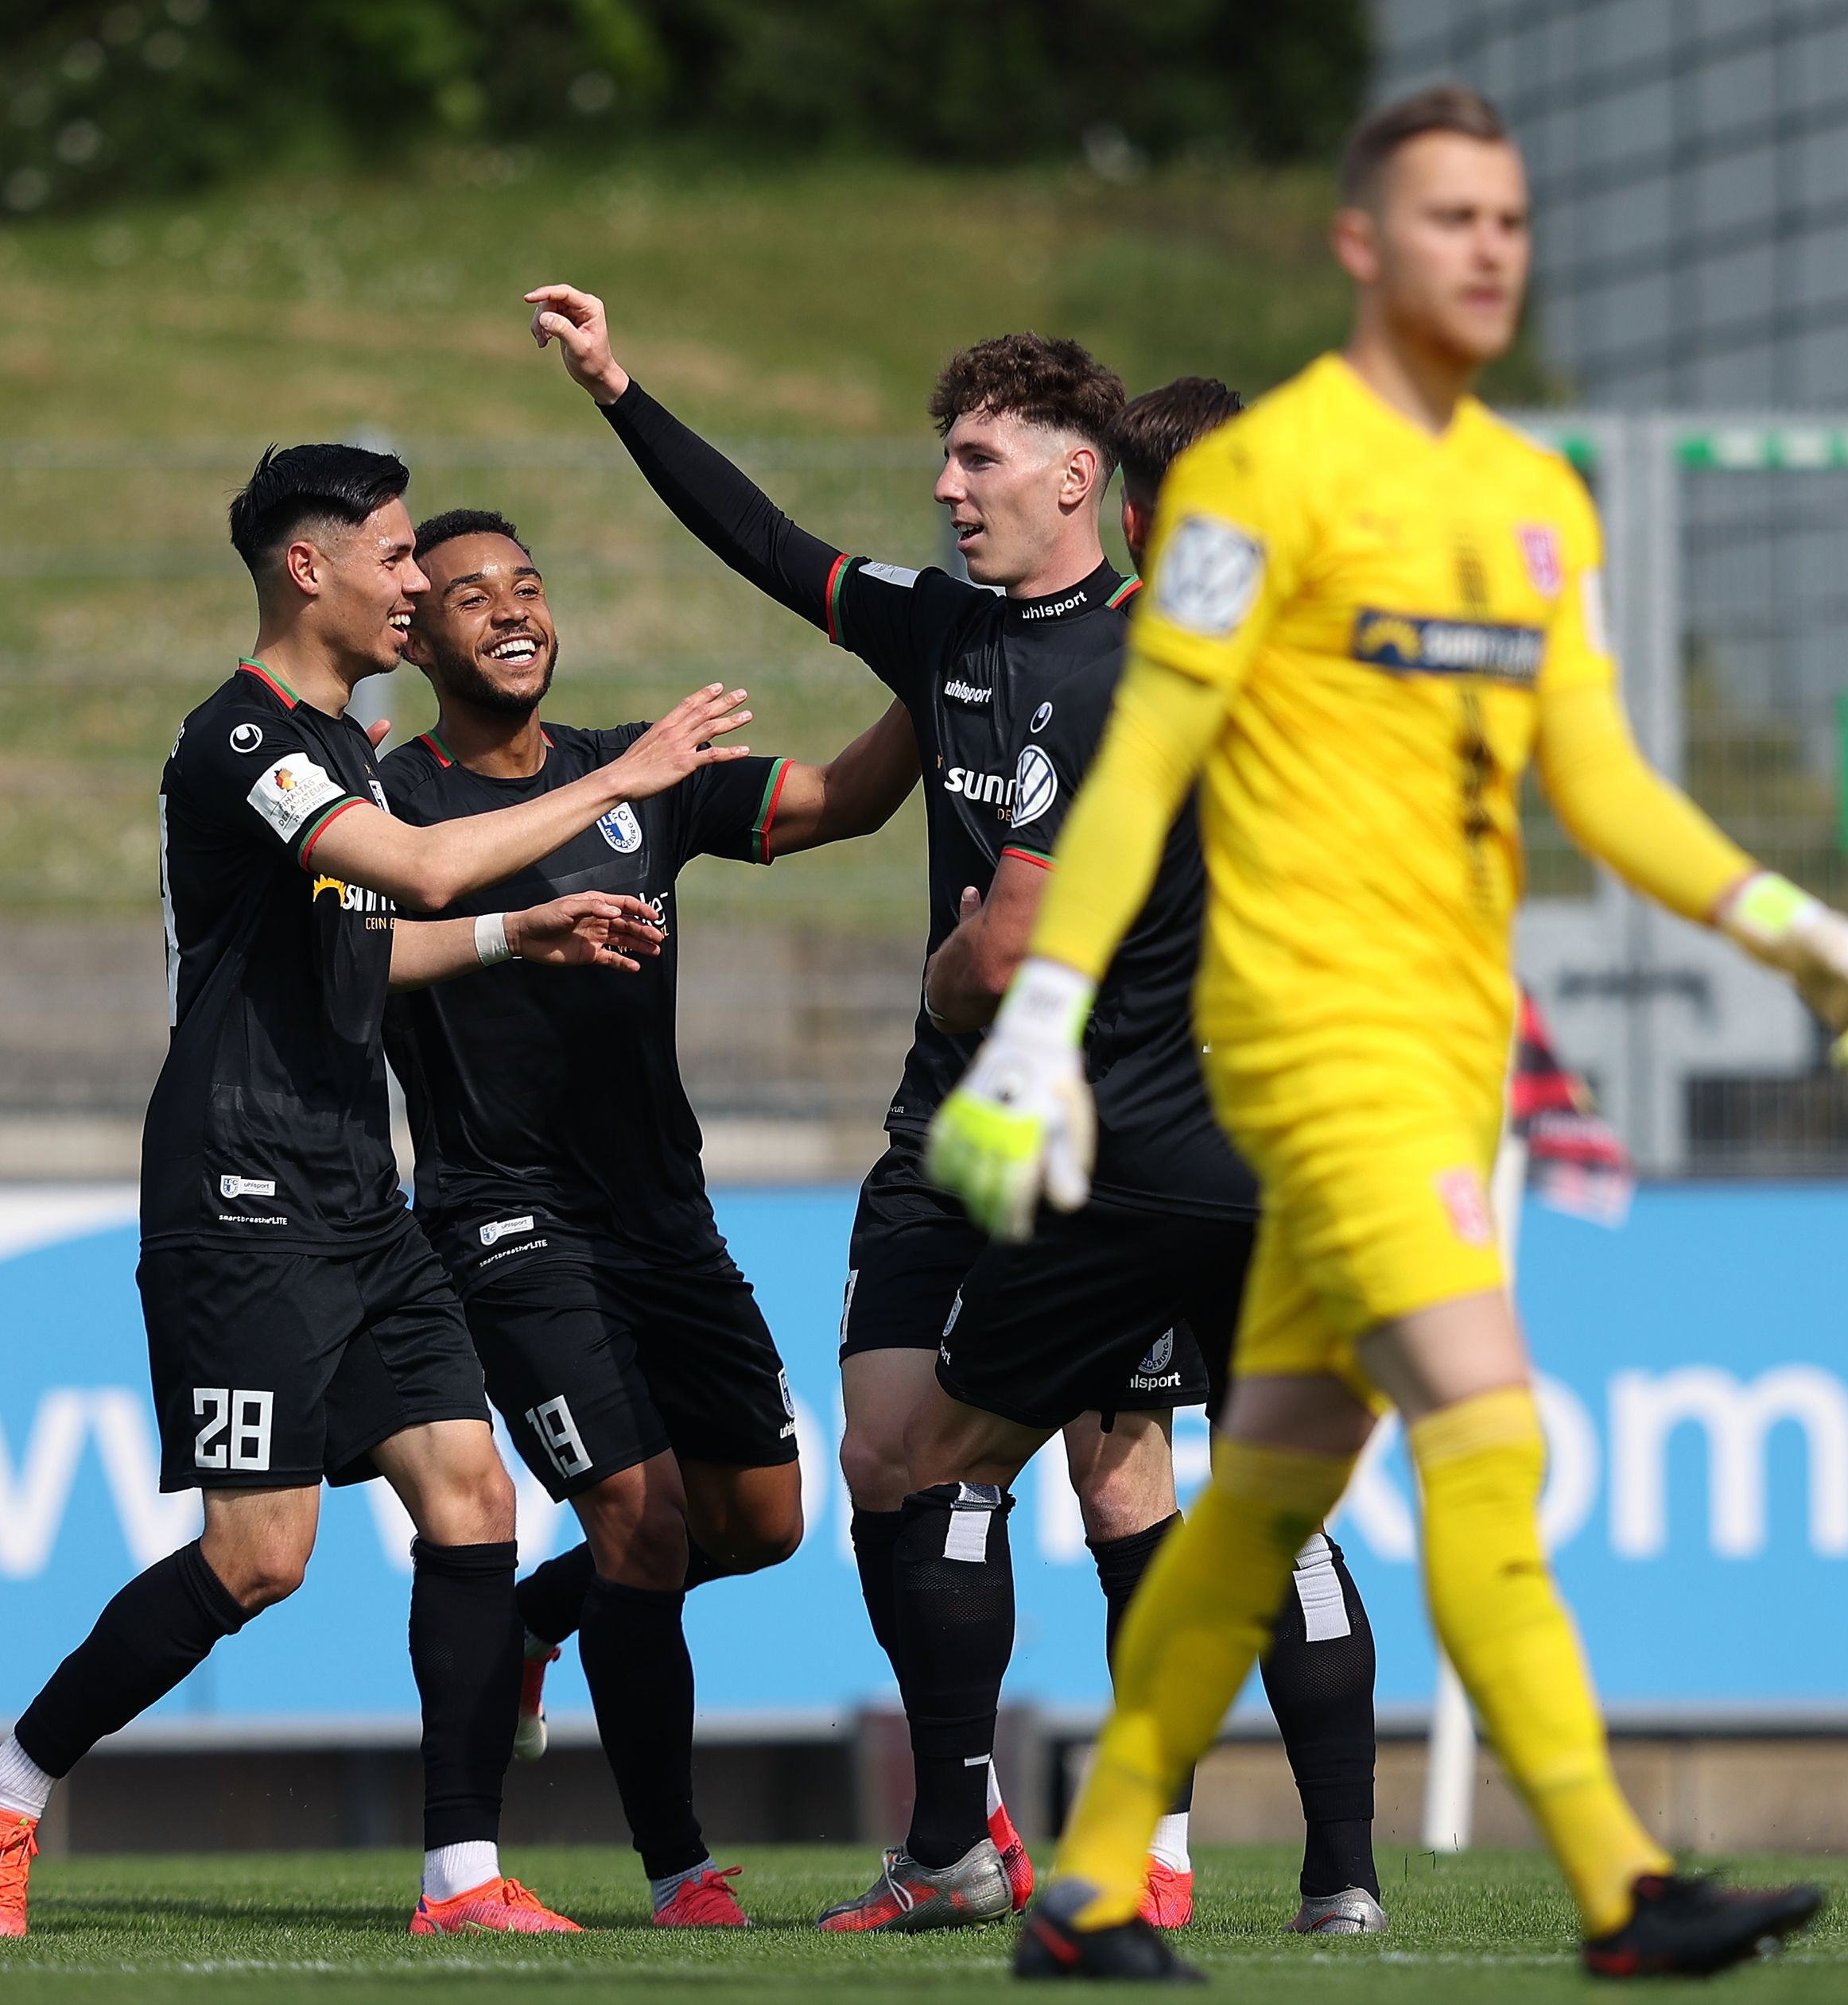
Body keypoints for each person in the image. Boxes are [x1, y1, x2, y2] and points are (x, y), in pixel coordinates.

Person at [928, 87, 1848, 1982]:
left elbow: (1599, 777)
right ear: (1360, 245)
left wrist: (1791, 924)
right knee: (1490, 1426)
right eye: (1449, 216)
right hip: (1311, 1047)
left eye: (1510, 221)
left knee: (1271, 1479)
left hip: (1448, 1055)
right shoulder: (1248, 487)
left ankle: (1084, 1878)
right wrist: (1042, 1016)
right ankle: (1621, 1883)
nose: (1488, 249)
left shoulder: (1534, 502)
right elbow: (1141, 764)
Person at [0, 442, 763, 1941]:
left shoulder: (349, 747)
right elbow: (417, 872)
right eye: (395, 559)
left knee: (472, 1490)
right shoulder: (244, 741)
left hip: (354, 1191)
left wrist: (532, 937)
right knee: (263, 1558)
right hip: (237, 1182)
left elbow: (370, 948)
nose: (415, 586)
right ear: (308, 568)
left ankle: (460, 1878)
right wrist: (626, 783)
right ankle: (5, 1783)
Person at [526, 285, 1176, 1931]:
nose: (946, 489)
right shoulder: (940, 629)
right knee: (885, 1454)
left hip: (1098, 1137)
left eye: (977, 460)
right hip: (937, 1122)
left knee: (1115, 1482)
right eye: (941, 460)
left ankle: (1152, 1843)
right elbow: (761, 538)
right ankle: (952, 1845)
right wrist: (619, 386)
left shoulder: (1147, 668)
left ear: (1073, 478)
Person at [376, 506, 916, 1926]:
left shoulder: (643, 779)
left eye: (530, 585)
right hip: (504, 1217)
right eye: (469, 594)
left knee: (763, 1519)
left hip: (663, 1217)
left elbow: (844, 800)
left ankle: (546, 1618)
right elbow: (351, 964)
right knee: (642, 1513)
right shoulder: (391, 805)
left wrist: (942, 675)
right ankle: (681, 1868)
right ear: (414, 633)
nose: (510, 611)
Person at [901, 374, 1388, 1940]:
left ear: (1132, 511)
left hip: (1127, 1151)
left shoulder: (1126, 679)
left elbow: (1016, 933)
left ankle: (952, 1840)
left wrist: (950, 985)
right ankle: (1343, 1880)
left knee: (951, 1462)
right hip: (1297, 1142)